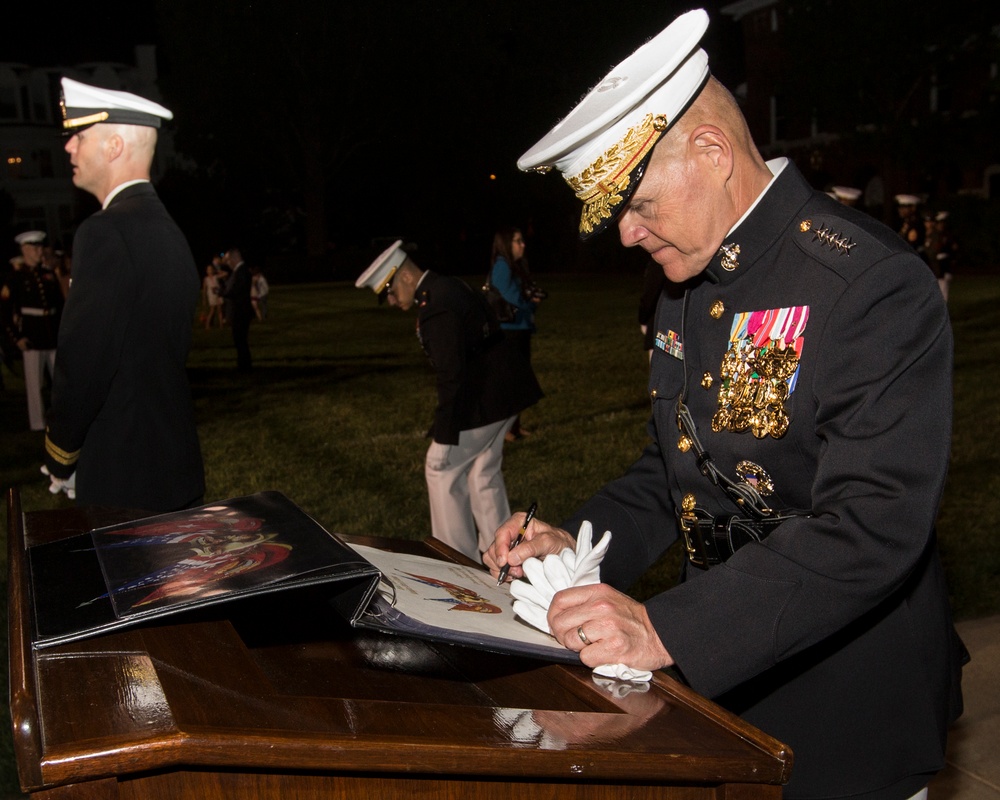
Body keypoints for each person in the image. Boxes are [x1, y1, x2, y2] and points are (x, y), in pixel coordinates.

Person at [486, 10, 964, 800]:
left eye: (637, 206)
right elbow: (676, 464)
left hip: (848, 699)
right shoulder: (693, 279)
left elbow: (875, 522)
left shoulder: (866, 283)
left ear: (710, 152)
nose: (629, 237)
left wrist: (666, 627)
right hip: (728, 677)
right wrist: (578, 542)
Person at [43, 77, 205, 512]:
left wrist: (61, 454)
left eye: (78, 136)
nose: (68, 148)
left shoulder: (106, 232)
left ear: (113, 146)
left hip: (124, 477)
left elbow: (84, 361)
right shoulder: (168, 231)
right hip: (172, 465)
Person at [356, 240, 542, 562]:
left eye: (389, 290)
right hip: (506, 390)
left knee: (440, 468)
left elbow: (451, 376)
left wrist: (444, 434)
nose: (389, 300)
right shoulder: (446, 286)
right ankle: (506, 556)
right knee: (483, 473)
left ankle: (456, 563)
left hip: (485, 397)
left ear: (404, 277)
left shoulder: (435, 305)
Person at [1, 230, 63, 430]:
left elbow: (58, 306)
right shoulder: (16, 277)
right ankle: (37, 423)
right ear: (25, 250)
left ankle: (63, 418)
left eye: (40, 247)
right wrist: (16, 337)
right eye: (35, 248)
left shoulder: (47, 275)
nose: (39, 252)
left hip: (51, 334)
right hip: (32, 337)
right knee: (35, 385)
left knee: (60, 381)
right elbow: (5, 311)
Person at [489, 226, 543, 440]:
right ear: (506, 244)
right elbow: (511, 296)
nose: (523, 245)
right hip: (509, 332)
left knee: (518, 381)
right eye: (518, 241)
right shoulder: (502, 265)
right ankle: (505, 430)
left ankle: (513, 426)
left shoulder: (515, 265)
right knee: (511, 382)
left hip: (519, 329)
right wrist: (530, 303)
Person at [217, 246, 254, 371]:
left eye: (228, 260)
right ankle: (243, 363)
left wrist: (221, 292)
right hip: (240, 311)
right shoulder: (239, 271)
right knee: (239, 340)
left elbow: (236, 290)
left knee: (240, 340)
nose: (227, 263)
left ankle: (244, 365)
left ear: (234, 259)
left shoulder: (242, 271)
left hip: (240, 312)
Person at [202, 263, 224, 329]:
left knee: (219, 310)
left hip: (218, 294)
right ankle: (207, 325)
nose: (210, 271)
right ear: (206, 271)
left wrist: (217, 271)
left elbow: (226, 273)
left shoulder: (215, 277)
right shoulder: (206, 279)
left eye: (211, 269)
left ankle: (221, 325)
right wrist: (204, 299)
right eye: (208, 269)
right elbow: (204, 290)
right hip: (211, 295)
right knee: (212, 310)